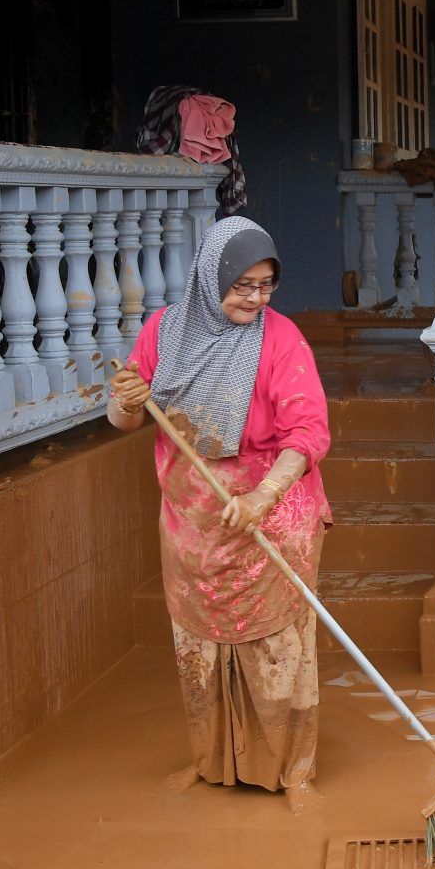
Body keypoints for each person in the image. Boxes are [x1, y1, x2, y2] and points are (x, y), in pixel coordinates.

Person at [108, 216, 332, 812]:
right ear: (211, 278)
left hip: (270, 513)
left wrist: (262, 498)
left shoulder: (281, 340)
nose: (256, 299)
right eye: (243, 286)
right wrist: (123, 403)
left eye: (266, 286)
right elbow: (128, 419)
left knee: (276, 649)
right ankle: (210, 764)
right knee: (199, 647)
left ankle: (294, 774)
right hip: (192, 518)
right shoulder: (164, 330)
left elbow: (308, 432)